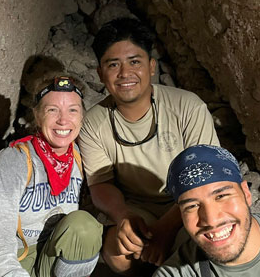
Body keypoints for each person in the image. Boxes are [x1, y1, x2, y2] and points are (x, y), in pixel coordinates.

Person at [77, 18, 219, 274]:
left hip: (188, 203)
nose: (124, 74)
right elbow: (100, 184)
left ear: (151, 67)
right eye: (113, 65)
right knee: (118, 252)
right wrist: (123, 216)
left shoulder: (187, 107)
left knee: (200, 250)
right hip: (136, 208)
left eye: (134, 62)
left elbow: (206, 179)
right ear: (100, 73)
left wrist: (165, 230)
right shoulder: (93, 123)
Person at [0, 75, 102, 277]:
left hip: (50, 253)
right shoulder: (13, 162)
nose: (63, 120)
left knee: (85, 227)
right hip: (14, 259)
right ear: (37, 115)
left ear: (81, 117)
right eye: (52, 110)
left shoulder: (79, 157)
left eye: (72, 110)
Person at [154, 145, 260, 277]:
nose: (211, 220)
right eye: (192, 206)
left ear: (246, 194)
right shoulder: (175, 273)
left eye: (221, 196)